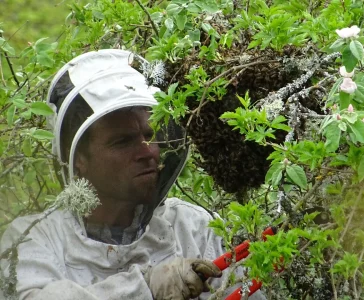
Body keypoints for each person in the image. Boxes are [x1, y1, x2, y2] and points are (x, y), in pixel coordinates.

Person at [0, 50, 265, 300]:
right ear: (78, 157)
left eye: (150, 136)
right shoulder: (32, 240)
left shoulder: (194, 228)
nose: (148, 152)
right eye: (123, 141)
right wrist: (145, 287)